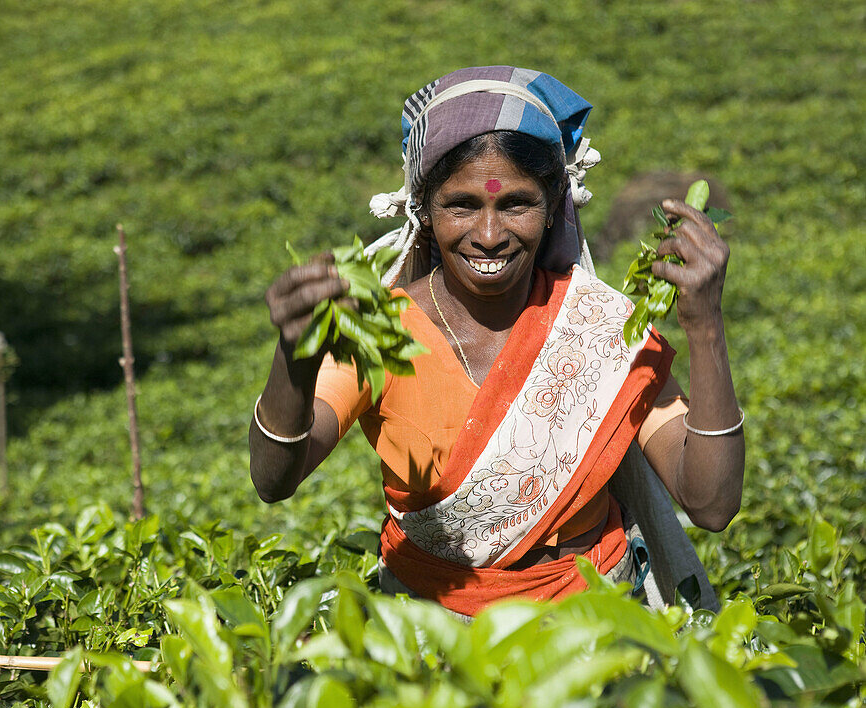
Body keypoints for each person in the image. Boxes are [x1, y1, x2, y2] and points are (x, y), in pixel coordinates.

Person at [249, 66, 744, 617]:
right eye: (461, 205)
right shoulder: (382, 330)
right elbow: (275, 477)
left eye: (516, 204)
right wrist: (294, 357)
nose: (488, 235)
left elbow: (712, 503)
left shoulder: (598, 326)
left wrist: (705, 327)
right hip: (431, 630)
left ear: (554, 204)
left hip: (593, 629)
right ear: (425, 209)